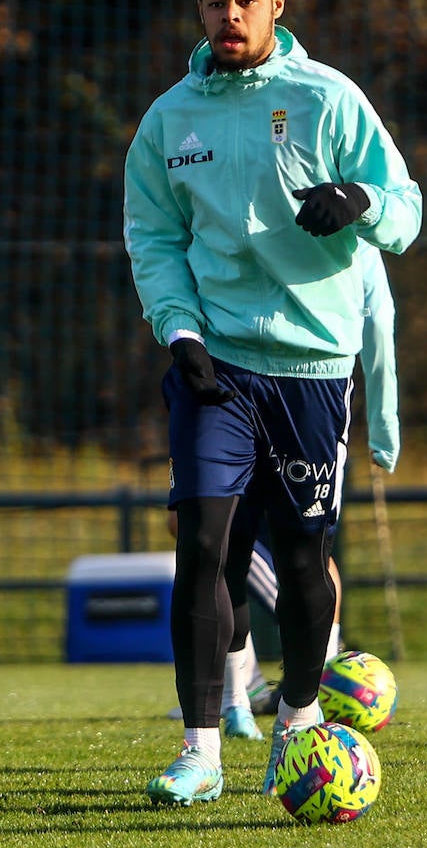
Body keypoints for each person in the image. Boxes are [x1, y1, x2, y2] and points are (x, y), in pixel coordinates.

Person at [123, 0, 422, 805]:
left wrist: (356, 199)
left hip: (312, 366)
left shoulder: (327, 99)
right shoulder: (170, 118)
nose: (229, 14)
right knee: (203, 547)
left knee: (301, 557)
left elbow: (404, 205)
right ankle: (200, 749)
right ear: (199, 7)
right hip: (213, 364)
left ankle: (296, 718)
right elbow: (154, 235)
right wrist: (179, 331)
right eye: (214, 1)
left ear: (277, 4)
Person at [168, 240, 400, 738]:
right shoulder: (226, 212)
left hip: (309, 387)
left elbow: (379, 315)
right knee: (210, 543)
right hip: (226, 379)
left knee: (306, 553)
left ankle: (318, 676)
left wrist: (383, 425)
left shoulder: (352, 238)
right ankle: (234, 702)